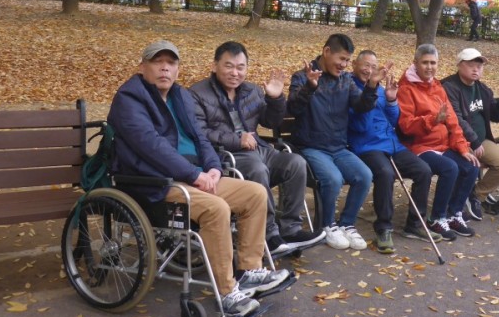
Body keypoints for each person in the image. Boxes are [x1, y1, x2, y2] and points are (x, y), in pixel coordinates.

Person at [108, 40, 289, 317]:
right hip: (154, 182)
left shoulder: (180, 96)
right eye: (158, 62)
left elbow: (200, 137)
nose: (165, 68)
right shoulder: (129, 100)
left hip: (193, 176)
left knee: (255, 194)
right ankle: (227, 293)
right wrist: (193, 174)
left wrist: (213, 167)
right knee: (216, 208)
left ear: (178, 69)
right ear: (142, 67)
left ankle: (249, 271)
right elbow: (151, 147)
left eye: (171, 63)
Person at [189, 41, 325, 256]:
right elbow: (199, 132)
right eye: (228, 66)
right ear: (215, 66)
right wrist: (237, 139)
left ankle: (290, 229)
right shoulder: (197, 93)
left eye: (240, 67)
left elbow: (271, 121)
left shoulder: (251, 90)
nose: (235, 73)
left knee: (296, 163)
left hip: (258, 149)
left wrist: (275, 99)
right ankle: (269, 234)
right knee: (257, 169)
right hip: (225, 156)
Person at [287, 33, 390, 250]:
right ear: (326, 52)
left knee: (364, 175)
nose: (344, 65)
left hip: (338, 147)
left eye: (347, 60)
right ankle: (327, 225)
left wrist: (372, 86)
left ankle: (346, 224)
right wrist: (310, 87)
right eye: (341, 59)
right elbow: (293, 108)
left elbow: (360, 106)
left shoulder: (345, 80)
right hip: (311, 146)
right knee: (333, 179)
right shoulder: (302, 77)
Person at [348, 50, 440, 254]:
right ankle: (384, 228)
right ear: (354, 64)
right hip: (367, 146)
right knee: (385, 173)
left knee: (423, 170)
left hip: (392, 144)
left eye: (374, 67)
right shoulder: (350, 87)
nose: (369, 70)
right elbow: (360, 126)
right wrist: (371, 90)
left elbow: (392, 120)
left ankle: (415, 224)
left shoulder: (380, 89)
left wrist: (391, 101)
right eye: (365, 65)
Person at [397, 44, 479, 241]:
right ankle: (437, 218)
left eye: (433, 63)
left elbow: (453, 122)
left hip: (442, 145)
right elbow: (406, 126)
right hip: (419, 147)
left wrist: (462, 147)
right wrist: (433, 120)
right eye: (425, 62)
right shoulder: (406, 89)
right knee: (450, 168)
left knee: (471, 165)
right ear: (415, 63)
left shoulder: (437, 87)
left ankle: (453, 213)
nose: (429, 67)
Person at [441, 47, 499, 220]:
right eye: (471, 65)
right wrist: (473, 141)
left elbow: (496, 116)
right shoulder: (449, 87)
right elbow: (456, 119)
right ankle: (456, 204)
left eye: (479, 66)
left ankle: (476, 195)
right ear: (459, 65)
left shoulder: (483, 89)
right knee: (469, 164)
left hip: (481, 140)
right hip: (457, 141)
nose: (476, 70)